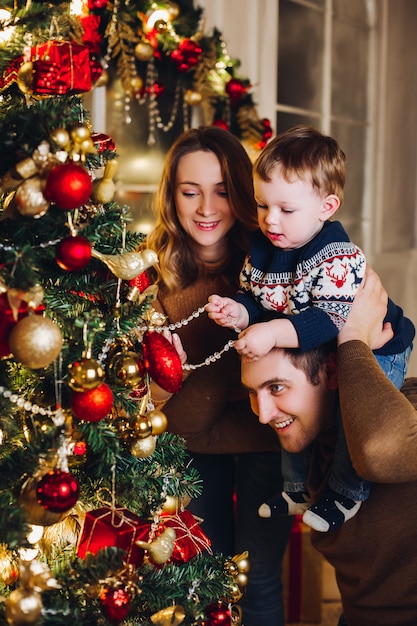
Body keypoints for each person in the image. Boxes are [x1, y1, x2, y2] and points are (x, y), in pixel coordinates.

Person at [207, 125, 415, 532]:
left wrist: (270, 333)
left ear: (326, 206)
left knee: (350, 415)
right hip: (321, 350)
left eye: (286, 210)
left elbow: (328, 321)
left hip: (376, 348)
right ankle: (297, 489)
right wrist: (240, 312)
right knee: (292, 409)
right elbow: (259, 299)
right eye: (263, 205)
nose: (271, 220)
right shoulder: (265, 249)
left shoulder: (336, 256)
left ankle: (345, 494)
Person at [145, 126, 293, 626]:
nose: (207, 208)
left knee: (260, 578)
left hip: (267, 442)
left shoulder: (274, 263)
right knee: (203, 580)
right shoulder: (149, 275)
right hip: (189, 450)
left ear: (244, 196)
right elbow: (151, 395)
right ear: (172, 197)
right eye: (191, 192)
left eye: (223, 191)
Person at [241, 266, 417, 626]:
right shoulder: (312, 446)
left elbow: (380, 453)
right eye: (252, 393)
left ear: (334, 372)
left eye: (276, 388)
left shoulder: (408, 413)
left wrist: (352, 338)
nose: (262, 414)